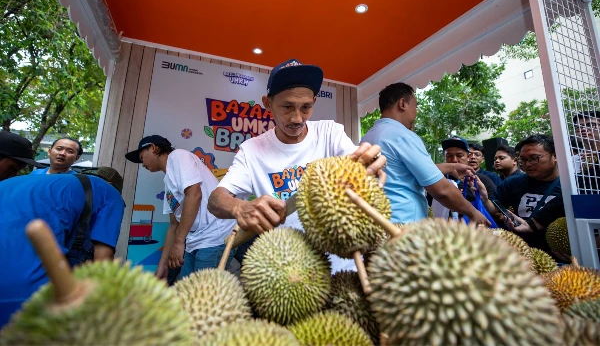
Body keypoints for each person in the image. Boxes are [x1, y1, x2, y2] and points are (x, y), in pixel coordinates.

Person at [207, 58, 386, 272]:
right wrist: (239, 207)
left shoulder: (330, 133)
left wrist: (369, 163)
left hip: (345, 264)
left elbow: (358, 163)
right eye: (287, 107)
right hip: (288, 270)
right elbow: (215, 200)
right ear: (268, 103)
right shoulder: (252, 150)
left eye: (306, 107)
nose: (297, 118)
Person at [0, 169, 125, 327]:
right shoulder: (110, 193)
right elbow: (102, 259)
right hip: (25, 291)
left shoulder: (38, 183)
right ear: (112, 185)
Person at [360, 82, 490, 225]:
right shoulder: (402, 135)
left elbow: (402, 173)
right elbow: (441, 190)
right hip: (404, 225)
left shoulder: (368, 137)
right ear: (402, 104)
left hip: (377, 223)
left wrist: (451, 167)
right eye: (415, 106)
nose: (416, 113)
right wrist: (473, 212)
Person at [125, 135, 237, 280]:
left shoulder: (178, 156)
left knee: (200, 297)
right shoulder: (168, 183)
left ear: (153, 148)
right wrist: (162, 265)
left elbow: (194, 194)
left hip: (215, 236)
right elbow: (173, 225)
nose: (142, 164)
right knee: (184, 291)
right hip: (195, 241)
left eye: (142, 157)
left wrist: (179, 243)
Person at [474, 134, 565, 254]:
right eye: (523, 159)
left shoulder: (570, 186)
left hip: (559, 254)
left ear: (555, 156)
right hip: (520, 251)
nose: (528, 164)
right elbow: (493, 210)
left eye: (534, 158)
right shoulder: (513, 182)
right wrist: (484, 198)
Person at [430, 136, 497, 221]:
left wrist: (484, 199)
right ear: (444, 156)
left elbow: (493, 212)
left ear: (468, 156)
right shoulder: (435, 179)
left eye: (459, 155)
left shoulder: (481, 181)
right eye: (449, 155)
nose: (454, 160)